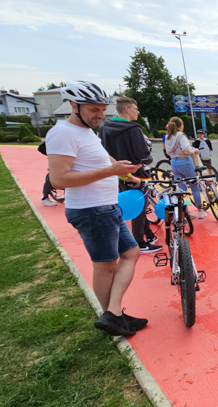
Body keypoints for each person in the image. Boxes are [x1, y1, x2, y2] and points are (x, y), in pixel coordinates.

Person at [46, 81, 148, 337]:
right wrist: (110, 171)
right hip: (91, 210)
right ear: (74, 105)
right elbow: (59, 179)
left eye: (103, 109)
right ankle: (112, 316)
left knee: (131, 253)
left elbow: (103, 157)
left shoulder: (85, 131)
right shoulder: (63, 133)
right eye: (94, 109)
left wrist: (123, 172)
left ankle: (113, 313)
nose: (100, 115)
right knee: (105, 265)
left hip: (107, 206)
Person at [99, 96, 162, 254]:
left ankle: (148, 234)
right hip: (136, 173)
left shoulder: (104, 127)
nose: (138, 112)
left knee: (136, 204)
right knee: (139, 207)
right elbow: (142, 154)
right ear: (126, 109)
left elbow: (102, 152)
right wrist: (148, 158)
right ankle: (139, 242)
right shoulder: (133, 128)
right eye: (136, 109)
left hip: (116, 172)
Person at [164, 117, 206, 219]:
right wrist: (194, 150)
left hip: (174, 162)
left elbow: (167, 151)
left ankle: (186, 212)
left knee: (181, 189)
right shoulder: (181, 136)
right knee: (194, 187)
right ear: (180, 126)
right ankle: (200, 211)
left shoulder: (167, 136)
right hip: (185, 161)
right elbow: (186, 148)